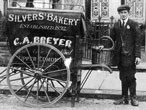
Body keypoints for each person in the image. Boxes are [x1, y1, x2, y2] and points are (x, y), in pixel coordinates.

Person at [110, 5, 142, 106]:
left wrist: (137, 56)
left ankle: (133, 97)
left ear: (128, 13)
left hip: (131, 56)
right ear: (119, 14)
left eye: (125, 12)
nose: (123, 15)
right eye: (121, 13)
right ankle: (124, 97)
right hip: (120, 56)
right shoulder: (116, 25)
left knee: (131, 77)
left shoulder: (133, 24)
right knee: (123, 77)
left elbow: (138, 41)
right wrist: (104, 46)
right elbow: (111, 40)